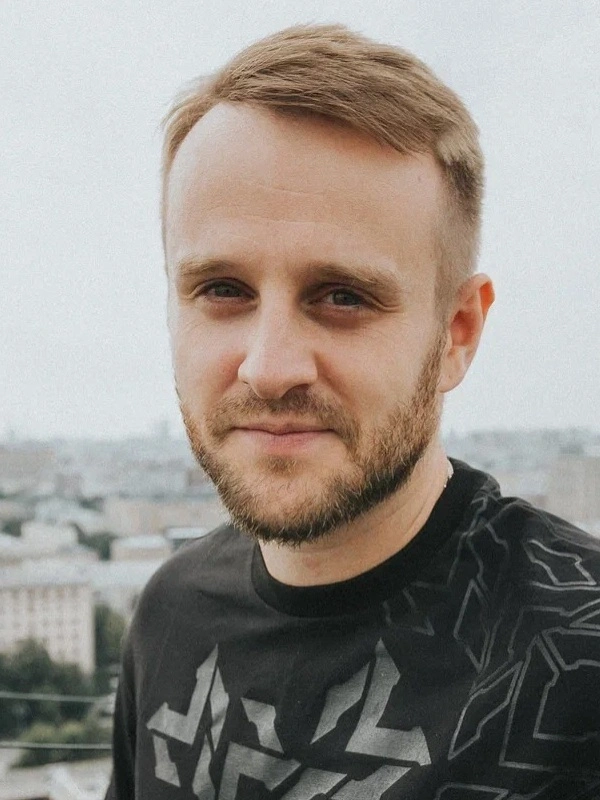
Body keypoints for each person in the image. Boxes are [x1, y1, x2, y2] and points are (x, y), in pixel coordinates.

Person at [106, 24, 600, 799]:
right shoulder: (170, 614)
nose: (270, 367)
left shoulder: (582, 660)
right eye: (222, 290)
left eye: (342, 296)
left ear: (456, 333)